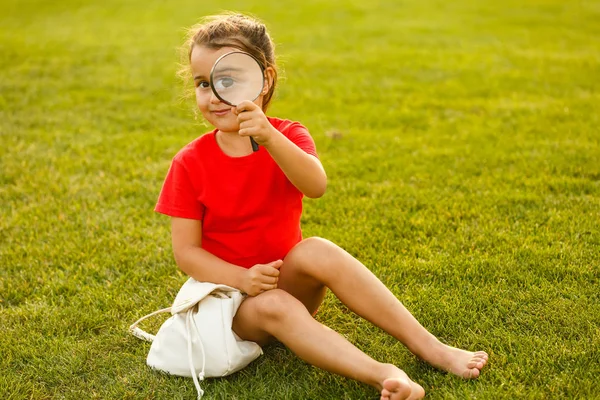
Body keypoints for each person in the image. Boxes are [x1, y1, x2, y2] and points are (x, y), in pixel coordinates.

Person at [155, 13, 488, 400]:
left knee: (317, 249)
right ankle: (383, 375)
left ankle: (429, 346)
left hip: (288, 284)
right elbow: (187, 254)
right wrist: (243, 279)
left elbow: (316, 185)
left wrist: (269, 137)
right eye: (201, 83)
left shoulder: (288, 135)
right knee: (275, 304)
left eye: (227, 80)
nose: (213, 95)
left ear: (264, 80)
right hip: (232, 304)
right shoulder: (189, 162)